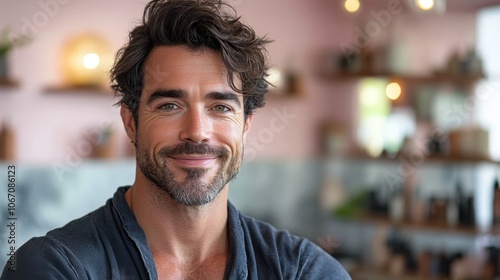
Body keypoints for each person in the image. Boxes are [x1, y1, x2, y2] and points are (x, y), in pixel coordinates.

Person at [1, 0, 351, 279]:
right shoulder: (56, 268)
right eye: (169, 105)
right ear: (131, 122)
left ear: (245, 125)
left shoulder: (306, 271)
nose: (197, 130)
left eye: (220, 107)